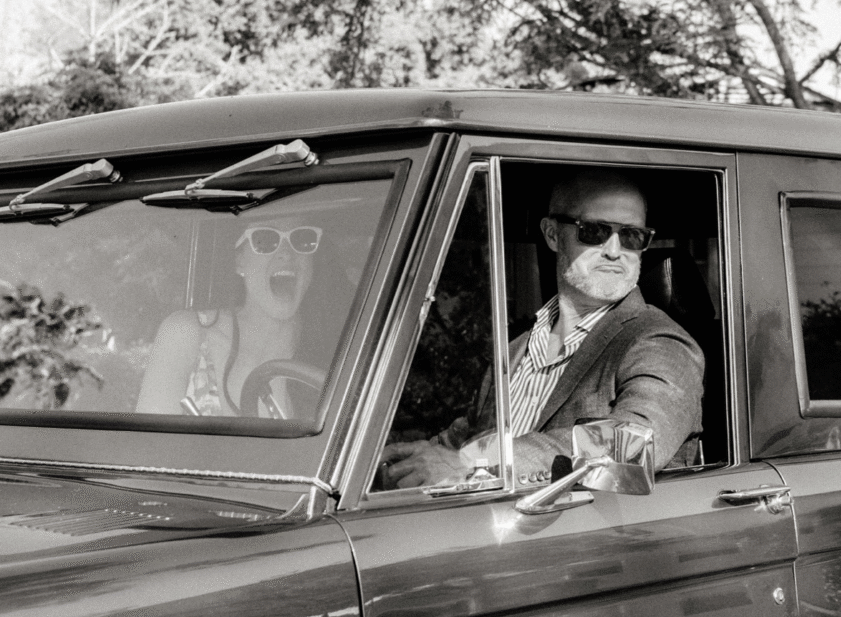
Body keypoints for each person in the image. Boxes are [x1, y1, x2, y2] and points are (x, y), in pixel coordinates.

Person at [380, 169, 705, 489]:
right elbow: (461, 441)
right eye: (594, 231)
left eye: (632, 236)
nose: (615, 251)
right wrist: (399, 462)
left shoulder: (660, 343)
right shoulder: (516, 345)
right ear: (552, 234)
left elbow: (629, 448)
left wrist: (472, 463)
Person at [136, 221, 319, 417]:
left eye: (302, 238)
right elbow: (150, 445)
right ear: (239, 261)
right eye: (265, 239)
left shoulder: (337, 348)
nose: (286, 253)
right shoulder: (187, 333)